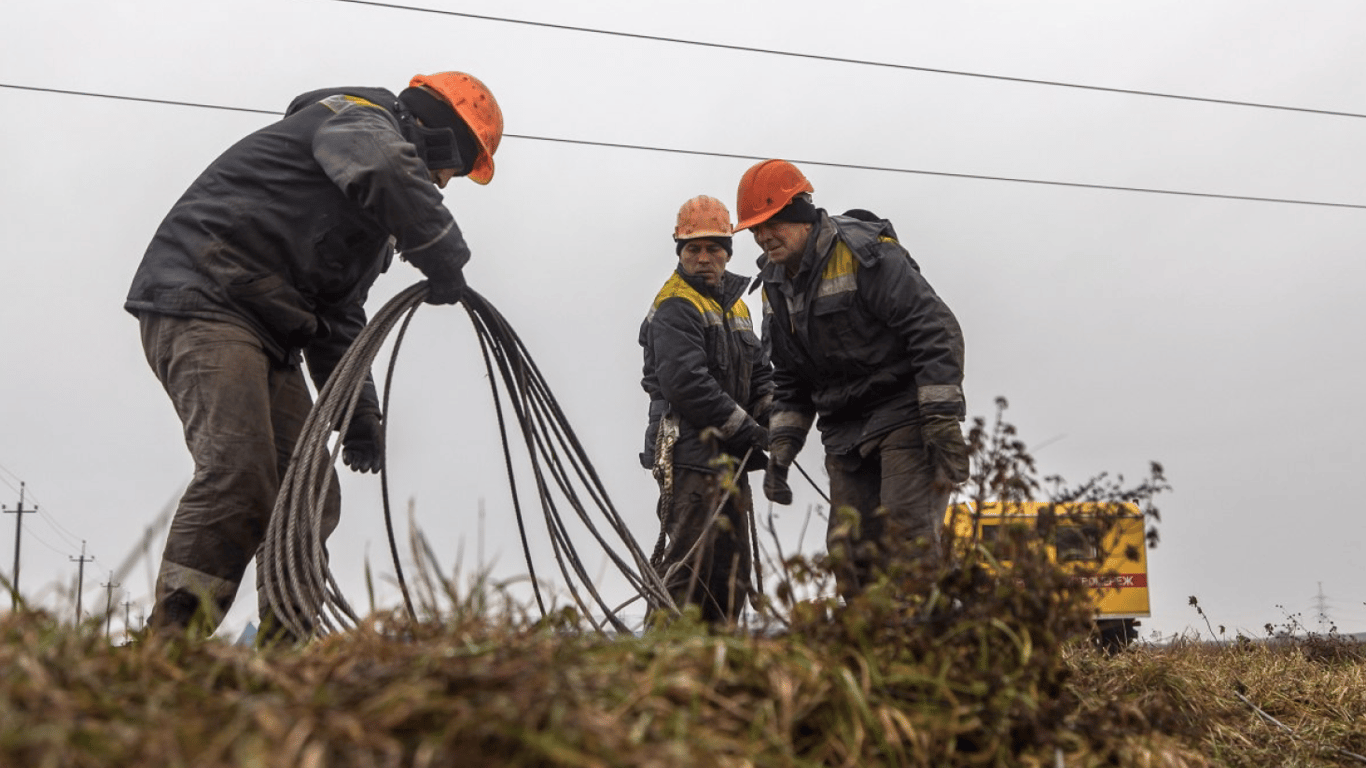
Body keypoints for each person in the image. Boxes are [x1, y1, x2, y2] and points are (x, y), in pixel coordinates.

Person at [124, 71, 504, 636]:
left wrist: (359, 417)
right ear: (442, 136)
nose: (445, 185)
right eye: (454, 168)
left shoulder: (370, 212)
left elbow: (338, 317)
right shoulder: (355, 118)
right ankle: (170, 642)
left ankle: (289, 652)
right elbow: (382, 168)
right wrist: (441, 248)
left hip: (266, 331)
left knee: (312, 494)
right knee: (240, 473)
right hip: (206, 300)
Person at [734, 159, 969, 598]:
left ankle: (919, 655)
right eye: (755, 229)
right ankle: (868, 659)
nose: (763, 236)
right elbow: (788, 379)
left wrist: (940, 417)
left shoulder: (865, 253)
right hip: (843, 432)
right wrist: (781, 450)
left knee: (906, 543)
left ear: (802, 214)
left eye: (773, 223)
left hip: (903, 415)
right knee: (851, 556)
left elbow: (935, 329)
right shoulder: (773, 286)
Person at [639, 195, 774, 624]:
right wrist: (750, 431)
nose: (703, 258)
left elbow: (760, 375)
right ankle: (663, 662)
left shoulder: (737, 307)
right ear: (679, 252)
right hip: (690, 457)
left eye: (713, 248)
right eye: (692, 248)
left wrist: (772, 416)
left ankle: (721, 665)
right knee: (688, 568)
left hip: (728, 458)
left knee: (730, 572)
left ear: (729, 252)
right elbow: (686, 385)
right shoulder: (676, 304)